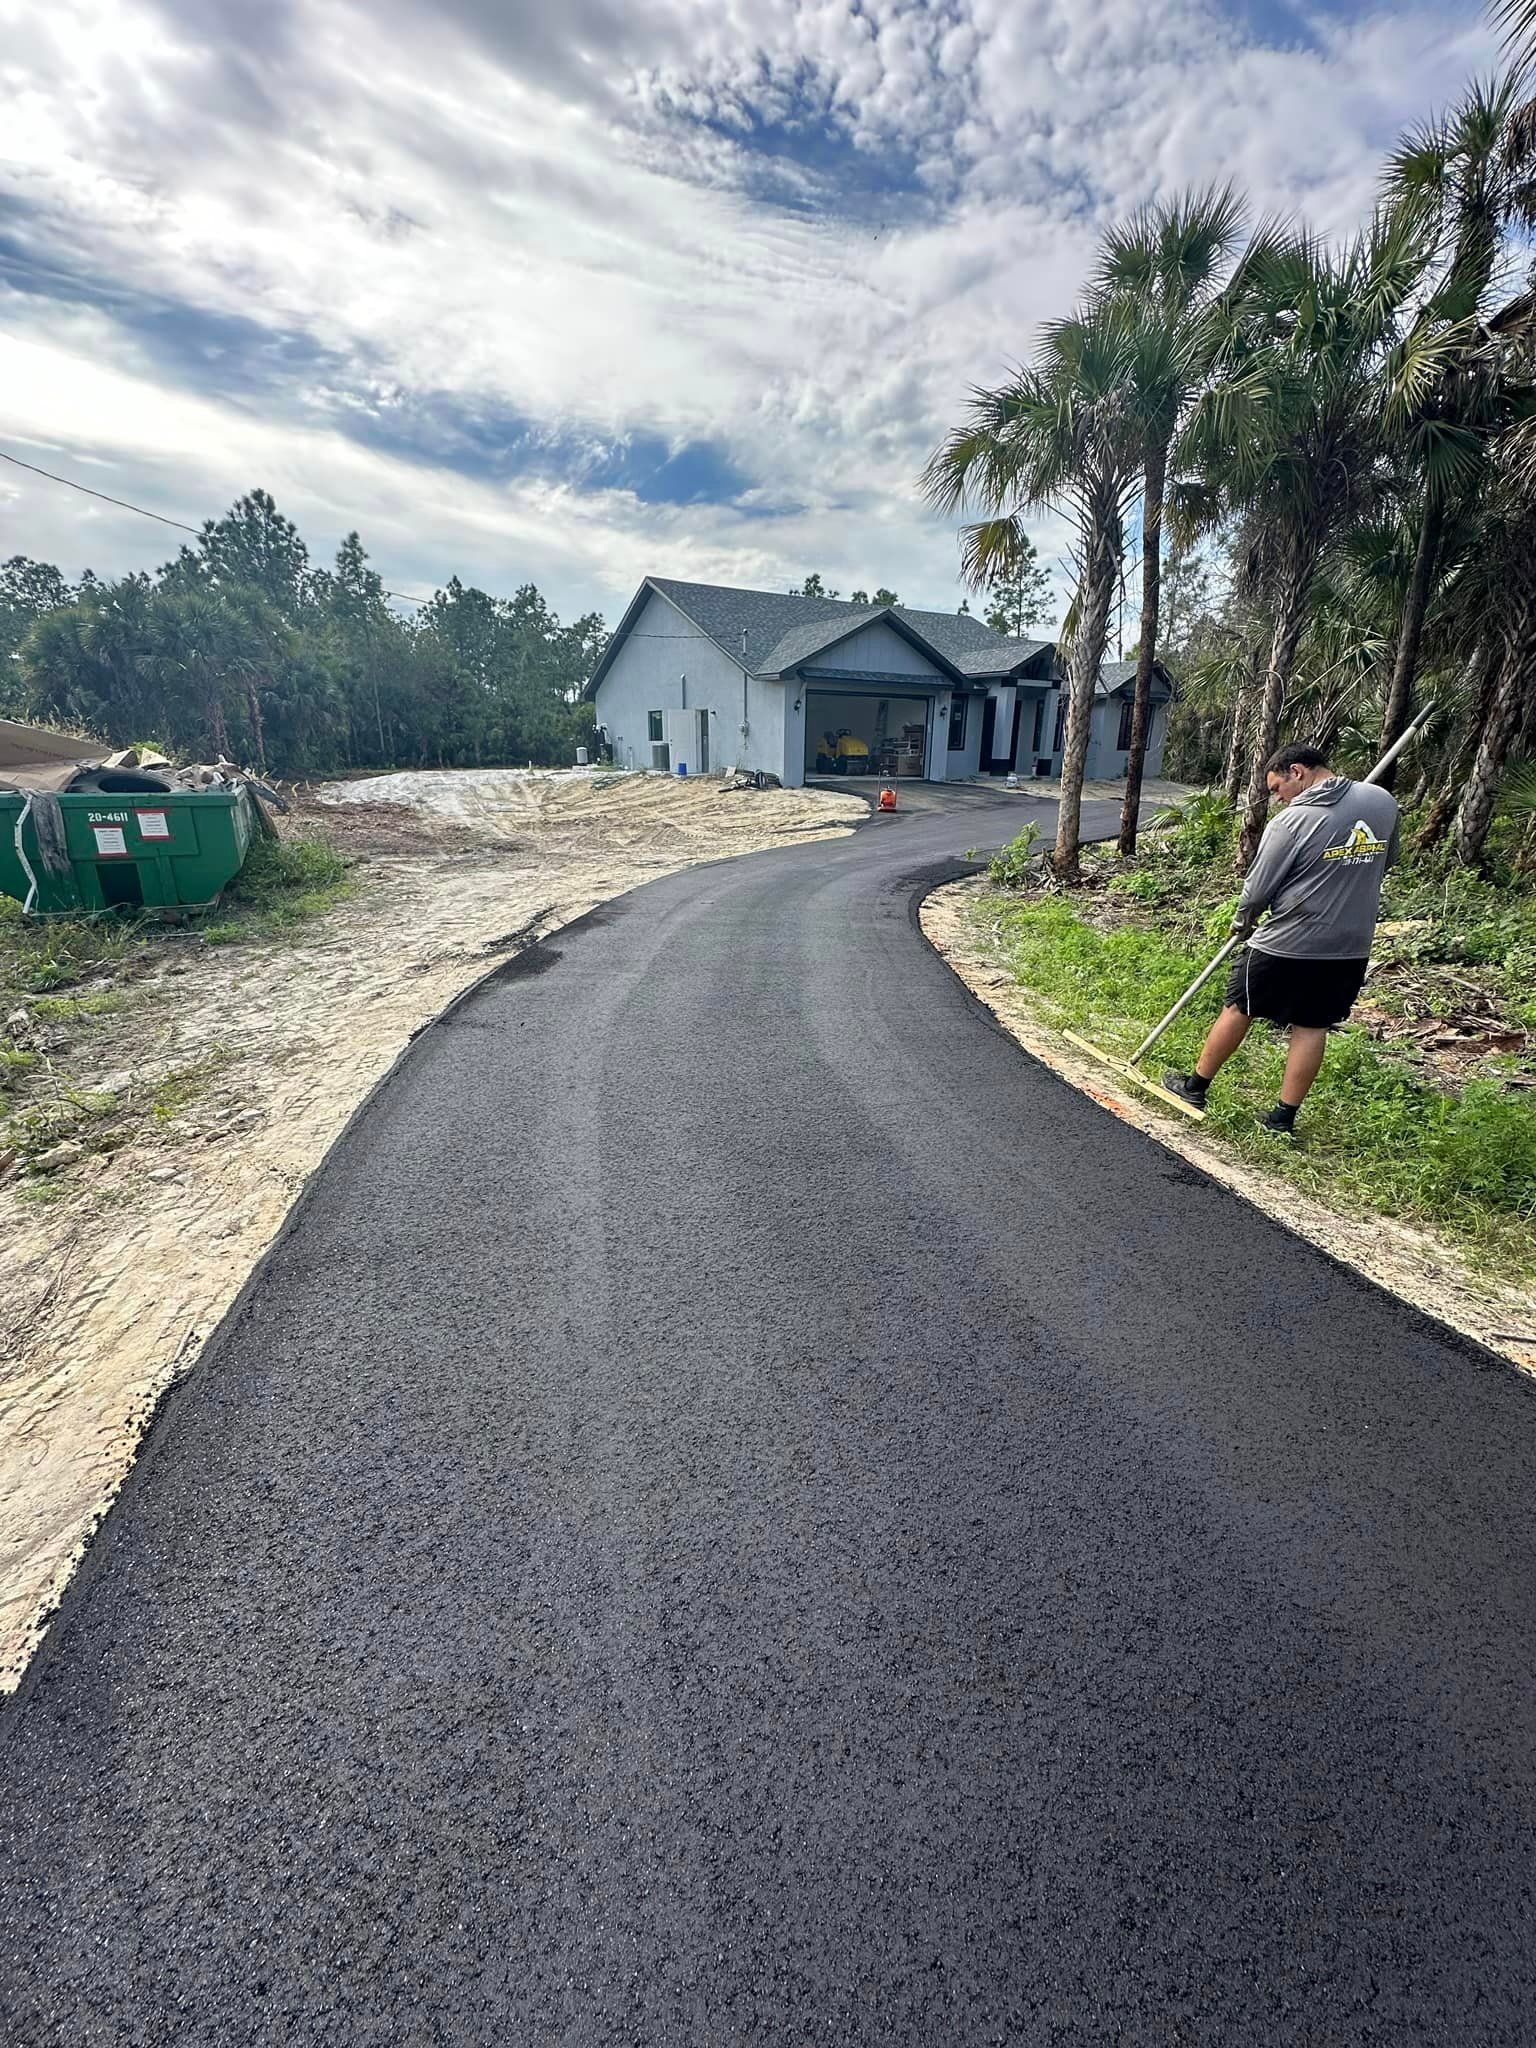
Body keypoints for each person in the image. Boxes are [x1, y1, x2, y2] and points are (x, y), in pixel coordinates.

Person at [1164, 744, 1400, 1134]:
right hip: (1350, 946)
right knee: (1312, 1025)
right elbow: (1387, 859)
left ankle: (1195, 1087)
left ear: (1297, 772)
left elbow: (1257, 890)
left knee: (1240, 1006)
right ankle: (1282, 1119)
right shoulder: (1382, 802)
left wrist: (1242, 923)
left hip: (1288, 940)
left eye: (1277, 788)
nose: (1277, 798)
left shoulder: (1293, 821)